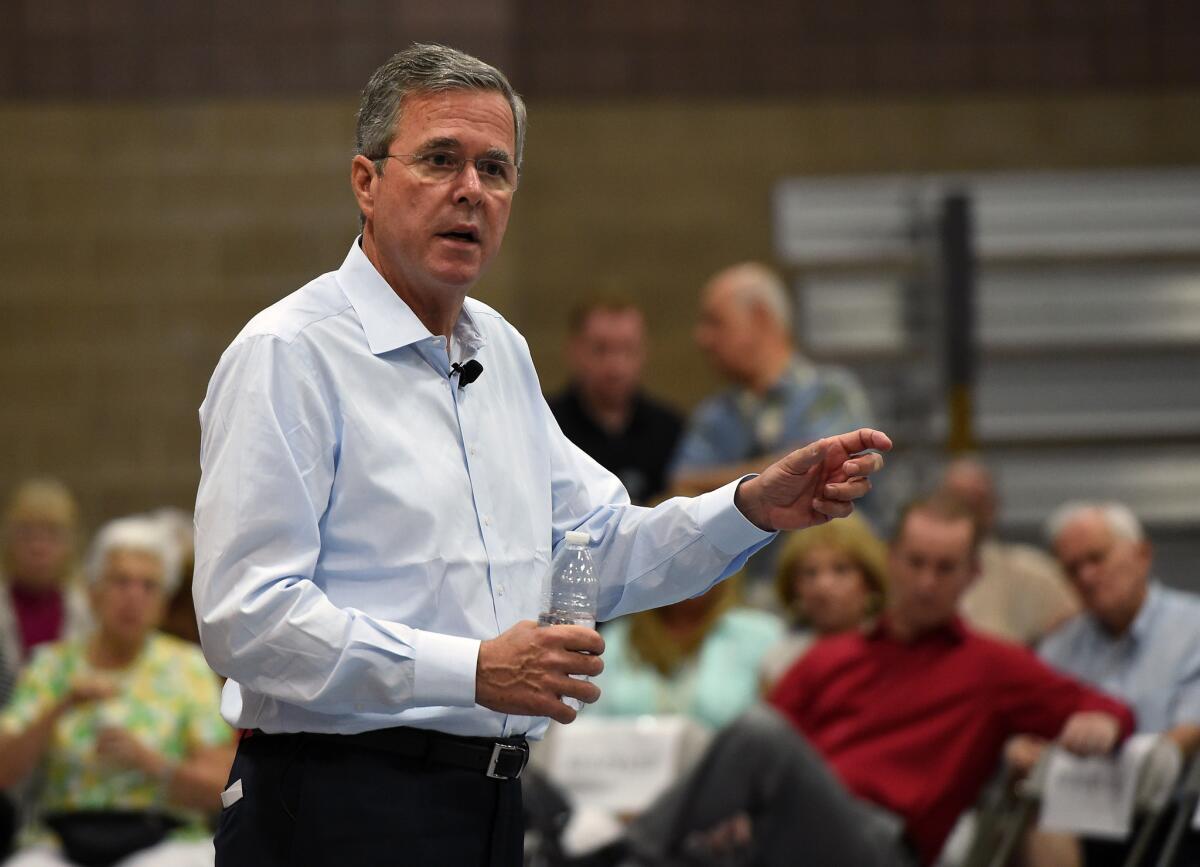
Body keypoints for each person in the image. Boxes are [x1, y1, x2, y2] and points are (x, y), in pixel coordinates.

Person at [192, 43, 891, 867]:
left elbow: (594, 552)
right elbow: (249, 618)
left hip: (489, 802)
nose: (471, 191)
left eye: (496, 169)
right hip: (340, 802)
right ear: (365, 182)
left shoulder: (501, 352)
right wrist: (475, 669)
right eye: (440, 159)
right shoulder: (290, 353)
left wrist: (746, 508)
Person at [618, 497, 1134, 867]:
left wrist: (1104, 723)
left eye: (945, 568)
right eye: (916, 563)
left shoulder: (994, 667)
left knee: (759, 733)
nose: (927, 582)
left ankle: (612, 855)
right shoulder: (831, 658)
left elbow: (1110, 709)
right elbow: (762, 770)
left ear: (971, 576)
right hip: (795, 829)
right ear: (891, 561)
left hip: (882, 847)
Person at [0, 516, 233, 867]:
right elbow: (4, 772)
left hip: (164, 840)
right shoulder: (51, 666)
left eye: (148, 586)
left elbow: (220, 785)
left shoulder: (187, 667)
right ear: (92, 592)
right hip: (60, 843)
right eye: (120, 581)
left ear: (163, 603)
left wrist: (149, 762)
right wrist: (61, 706)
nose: (133, 597)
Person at [1010, 501, 1200, 867]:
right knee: (1035, 820)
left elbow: (1188, 735)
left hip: (1168, 821)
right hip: (1077, 821)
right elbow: (1028, 735)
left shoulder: (1193, 629)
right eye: (1072, 568)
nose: (1087, 577)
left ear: (1142, 555)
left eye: (1097, 559)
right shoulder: (1059, 646)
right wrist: (1023, 751)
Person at [668, 262, 872, 499]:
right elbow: (682, 486)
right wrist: (787, 465)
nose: (702, 338)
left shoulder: (830, 393)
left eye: (716, 322)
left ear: (760, 318)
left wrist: (720, 486)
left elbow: (821, 469)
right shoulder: (714, 415)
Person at [0, 480, 91, 858]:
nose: (39, 546)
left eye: (51, 534)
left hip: (66, 766)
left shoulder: (90, 615)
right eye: (27, 533)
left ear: (69, 544)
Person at [588, 579, 783, 730]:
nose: (689, 573)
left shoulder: (761, 636)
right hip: (625, 773)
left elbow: (774, 731)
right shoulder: (617, 638)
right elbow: (584, 727)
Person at [547, 297, 683, 505]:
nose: (615, 366)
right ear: (574, 350)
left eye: (627, 349)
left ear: (644, 352)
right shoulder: (547, 424)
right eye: (601, 349)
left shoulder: (670, 428)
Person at [939, 456, 1078, 645]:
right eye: (957, 499)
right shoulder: (913, 570)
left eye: (976, 501)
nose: (967, 511)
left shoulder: (1033, 574)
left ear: (993, 506)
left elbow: (1077, 626)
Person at [759, 512, 888, 688]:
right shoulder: (779, 662)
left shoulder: (891, 650)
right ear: (793, 587)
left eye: (840, 569)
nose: (823, 585)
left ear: (870, 580)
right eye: (810, 573)